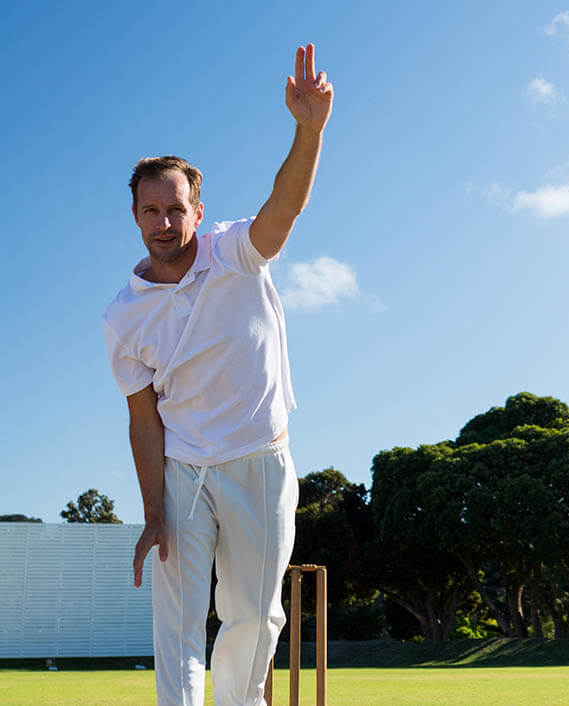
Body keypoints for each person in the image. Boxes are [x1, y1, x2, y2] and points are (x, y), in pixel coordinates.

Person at [102, 44, 334, 706]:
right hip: (182, 470)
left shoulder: (234, 252)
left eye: (176, 210)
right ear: (136, 217)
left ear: (198, 213)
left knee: (253, 617)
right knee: (175, 624)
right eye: (151, 212)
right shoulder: (121, 318)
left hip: (259, 460)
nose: (164, 223)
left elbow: (282, 213)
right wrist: (153, 514)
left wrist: (308, 130)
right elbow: (142, 421)